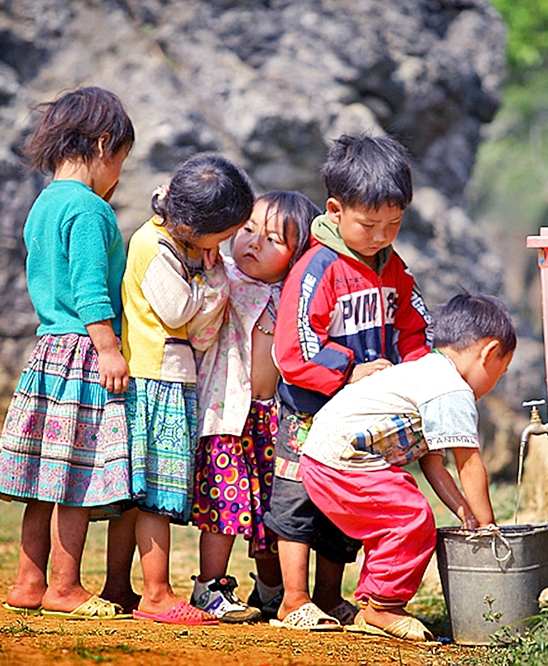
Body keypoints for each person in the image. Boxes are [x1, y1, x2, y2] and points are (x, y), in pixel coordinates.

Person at [264, 134, 432, 630]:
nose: (382, 235)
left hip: (363, 416)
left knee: (349, 500)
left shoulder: (393, 268)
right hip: (308, 410)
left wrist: (420, 375)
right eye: (369, 224)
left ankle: (329, 596)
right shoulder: (319, 268)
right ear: (336, 211)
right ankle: (293, 599)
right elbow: (293, 350)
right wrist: (348, 371)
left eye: (394, 224)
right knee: (296, 501)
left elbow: (412, 326)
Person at [0, 87, 135, 619]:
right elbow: (92, 289)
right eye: (120, 159)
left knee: (43, 477)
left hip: (48, 349)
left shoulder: (44, 202)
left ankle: (29, 582)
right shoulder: (90, 210)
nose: (118, 174)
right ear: (102, 145)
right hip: (84, 352)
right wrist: (110, 349)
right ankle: (65, 587)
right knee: (75, 475)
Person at [300, 292, 515, 641]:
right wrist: (489, 527)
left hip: (324, 457)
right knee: (410, 516)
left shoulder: (427, 372)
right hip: (342, 460)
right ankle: (384, 606)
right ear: (489, 353)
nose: (494, 385)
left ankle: (374, 600)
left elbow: (434, 464)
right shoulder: (451, 390)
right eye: (500, 374)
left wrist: (465, 512)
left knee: (396, 511)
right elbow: (469, 464)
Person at [104, 153, 255, 627]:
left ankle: (118, 587)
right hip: (159, 377)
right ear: (195, 226)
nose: (226, 245)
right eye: (224, 236)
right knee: (156, 493)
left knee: (139, 490)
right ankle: (156, 593)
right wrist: (211, 277)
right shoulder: (154, 247)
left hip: (160, 374)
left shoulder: (168, 240)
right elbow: (178, 311)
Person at [186, 191, 319, 623]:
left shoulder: (295, 295)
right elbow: (200, 333)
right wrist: (213, 283)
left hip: (273, 418)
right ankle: (210, 587)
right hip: (227, 415)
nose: (254, 243)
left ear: (297, 255)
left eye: (273, 239)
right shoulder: (224, 278)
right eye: (247, 230)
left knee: (271, 508)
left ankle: (270, 589)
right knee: (226, 504)